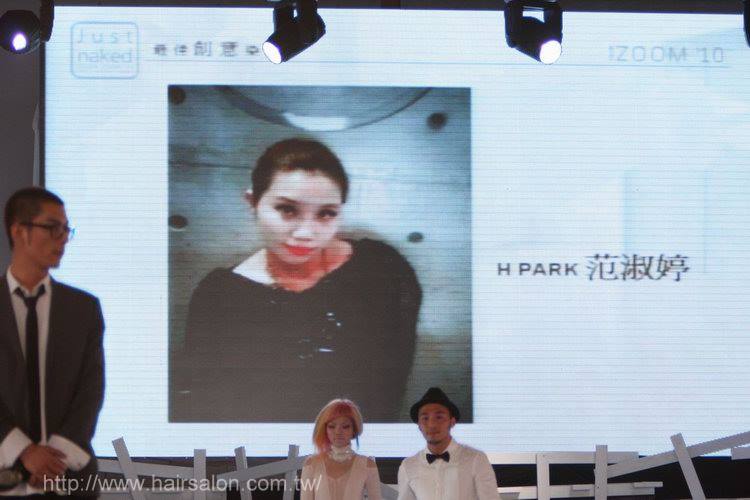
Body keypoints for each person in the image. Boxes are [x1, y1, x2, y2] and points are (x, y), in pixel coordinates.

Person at [179, 138, 422, 422]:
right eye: (287, 209)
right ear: (253, 203)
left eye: (326, 213)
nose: (306, 233)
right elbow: (209, 405)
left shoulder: (382, 269)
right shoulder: (220, 298)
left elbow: (391, 385)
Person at [0, 187, 105, 498]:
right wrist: (24, 452)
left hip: (69, 478)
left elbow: (91, 390)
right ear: (19, 231)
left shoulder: (83, 308)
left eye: (66, 229)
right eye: (52, 228)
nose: (62, 239)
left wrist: (53, 461)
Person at [397, 387, 499, 500]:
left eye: (439, 417)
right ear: (419, 426)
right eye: (425, 418)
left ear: (452, 422)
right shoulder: (408, 466)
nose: (432, 424)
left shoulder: (476, 460)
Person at [299, 399, 382, 500]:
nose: (338, 431)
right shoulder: (311, 464)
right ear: (325, 429)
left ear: (354, 429)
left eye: (345, 426)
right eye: (331, 426)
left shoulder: (367, 465)